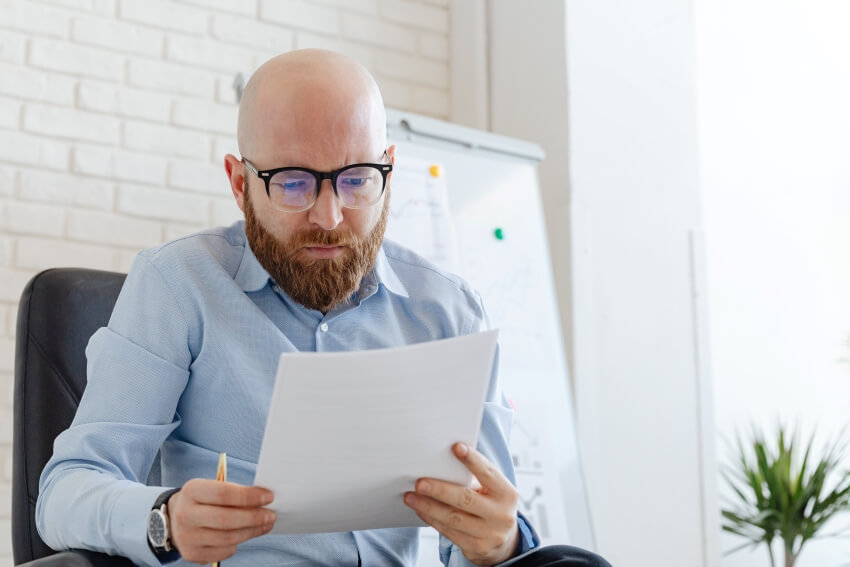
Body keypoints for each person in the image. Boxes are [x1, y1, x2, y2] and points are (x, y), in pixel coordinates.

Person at [36, 50, 610, 567]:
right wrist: (163, 519)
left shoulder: (450, 311)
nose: (329, 217)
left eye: (358, 180)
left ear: (389, 170)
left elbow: (483, 527)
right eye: (292, 184)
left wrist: (499, 542)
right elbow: (67, 491)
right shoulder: (178, 286)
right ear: (240, 184)